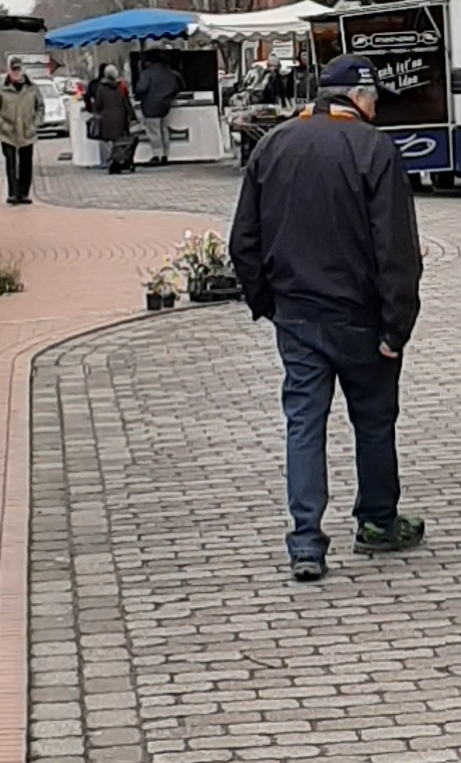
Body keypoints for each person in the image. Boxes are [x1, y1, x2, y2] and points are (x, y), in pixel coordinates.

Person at [230, 54, 427, 582]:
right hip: (360, 315)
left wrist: (266, 302)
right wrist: (397, 324)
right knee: (374, 420)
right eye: (375, 101)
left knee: (304, 423)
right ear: (360, 98)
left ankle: (306, 540)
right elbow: (397, 248)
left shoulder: (273, 144)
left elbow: (243, 240)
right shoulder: (373, 148)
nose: (376, 109)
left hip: (296, 314)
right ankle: (378, 522)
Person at [0, 59, 42, 205]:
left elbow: (40, 107)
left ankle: (24, 193)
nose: (16, 73)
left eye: (18, 70)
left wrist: (35, 125)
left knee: (26, 163)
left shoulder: (32, 87)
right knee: (10, 163)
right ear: (9, 70)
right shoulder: (0, 88)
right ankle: (13, 193)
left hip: (27, 131)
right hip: (7, 132)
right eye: (14, 70)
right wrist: (3, 125)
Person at [134, 53, 183, 165]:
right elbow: (176, 88)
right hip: (166, 105)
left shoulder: (147, 73)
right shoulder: (170, 73)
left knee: (154, 132)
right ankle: (166, 154)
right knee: (164, 130)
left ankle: (157, 155)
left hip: (151, 105)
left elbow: (141, 88)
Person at [93, 67, 137, 174]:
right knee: (120, 142)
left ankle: (109, 162)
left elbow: (98, 104)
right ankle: (119, 161)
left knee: (107, 142)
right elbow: (127, 103)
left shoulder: (101, 88)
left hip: (106, 119)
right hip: (121, 118)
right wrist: (132, 117)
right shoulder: (121, 87)